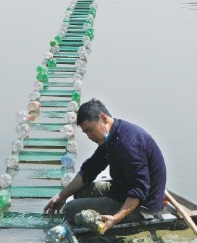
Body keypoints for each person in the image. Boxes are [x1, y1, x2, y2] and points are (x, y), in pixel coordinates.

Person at [43, 98, 167, 234]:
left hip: (144, 207)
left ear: (103, 118)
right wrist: (61, 196)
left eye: (90, 130)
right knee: (80, 192)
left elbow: (139, 189)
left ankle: (113, 221)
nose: (90, 136)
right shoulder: (110, 137)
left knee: (70, 209)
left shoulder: (128, 144)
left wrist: (115, 218)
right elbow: (89, 170)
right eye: (86, 133)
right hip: (122, 190)